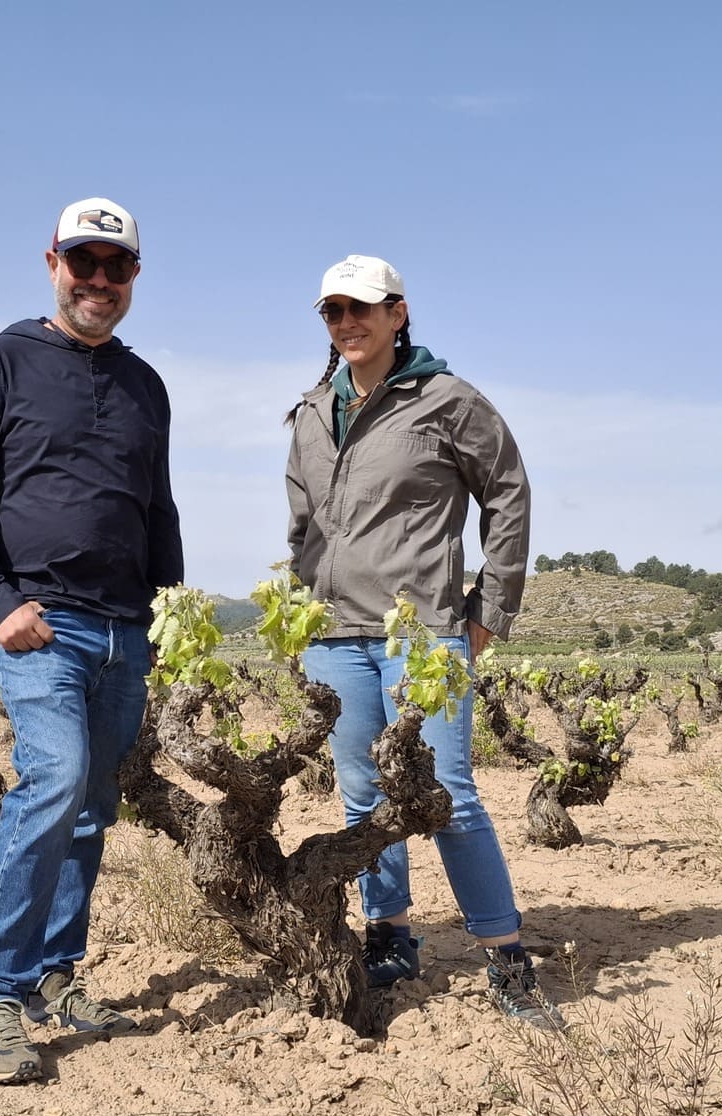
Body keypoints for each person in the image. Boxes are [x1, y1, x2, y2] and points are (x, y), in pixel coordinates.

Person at [0, 196, 184, 1084]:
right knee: (55, 780)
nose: (100, 281)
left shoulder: (145, 383)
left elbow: (157, 508)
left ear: (135, 278)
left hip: (126, 630)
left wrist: (170, 616)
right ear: (52, 264)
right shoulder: (1, 361)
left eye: (116, 267)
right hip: (40, 623)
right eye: (85, 262)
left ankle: (53, 978)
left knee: (92, 806)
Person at [284, 254, 558, 1029]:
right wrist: (302, 612)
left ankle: (507, 957)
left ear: (398, 313)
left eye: (362, 308)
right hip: (336, 636)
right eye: (333, 310)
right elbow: (303, 523)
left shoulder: (446, 401)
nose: (347, 323)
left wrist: (490, 607)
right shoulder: (310, 411)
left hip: (425, 633)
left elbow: (507, 491)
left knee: (449, 798)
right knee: (363, 799)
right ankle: (391, 935)